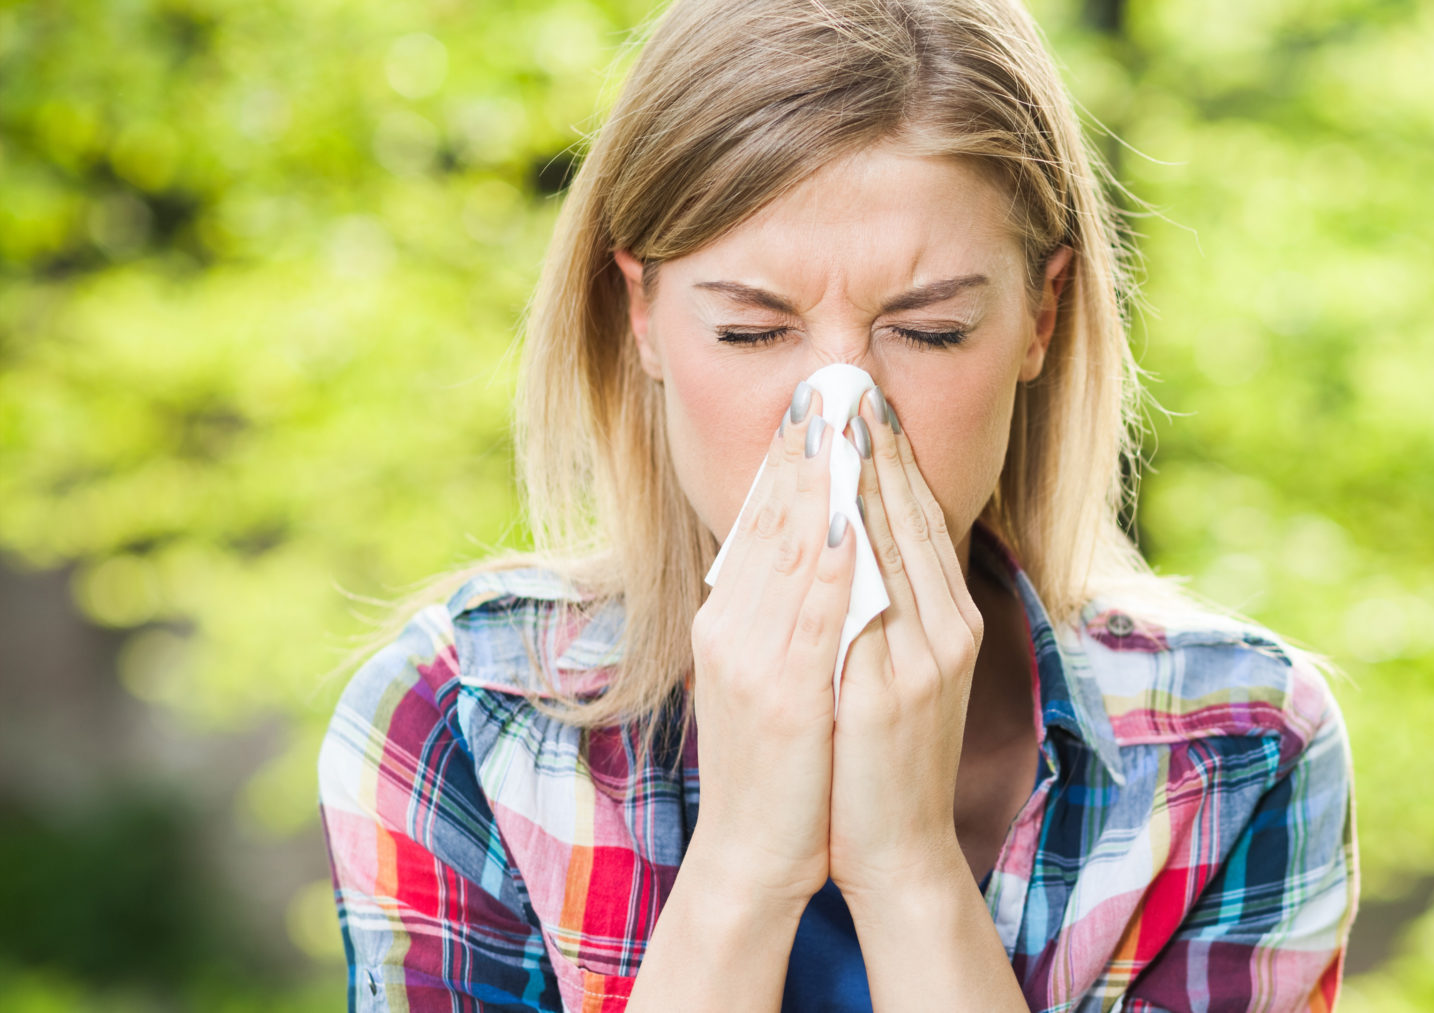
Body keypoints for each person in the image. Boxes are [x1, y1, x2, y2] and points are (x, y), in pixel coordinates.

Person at [315, 0, 1360, 1008]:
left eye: (931, 328)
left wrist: (907, 869)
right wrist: (740, 871)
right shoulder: (460, 717)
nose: (843, 417)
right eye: (753, 331)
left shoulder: (1241, 747)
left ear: (1041, 315)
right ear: (641, 313)